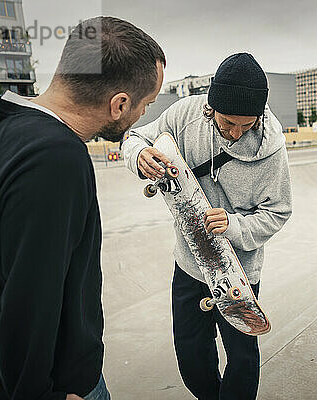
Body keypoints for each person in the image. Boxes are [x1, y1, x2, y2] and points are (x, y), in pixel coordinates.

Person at [0, 17, 165, 399]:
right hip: (63, 384)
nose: (142, 115)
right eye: (145, 105)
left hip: (4, 372)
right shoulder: (58, 158)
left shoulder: (3, 121)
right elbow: (29, 301)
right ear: (119, 104)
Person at [123, 52, 292, 400]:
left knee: (242, 359)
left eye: (246, 125)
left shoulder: (272, 148)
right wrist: (138, 155)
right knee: (191, 355)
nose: (235, 132)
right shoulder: (185, 114)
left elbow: (279, 211)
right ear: (210, 107)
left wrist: (234, 225)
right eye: (228, 122)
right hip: (190, 265)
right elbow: (136, 136)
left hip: (239, 274)